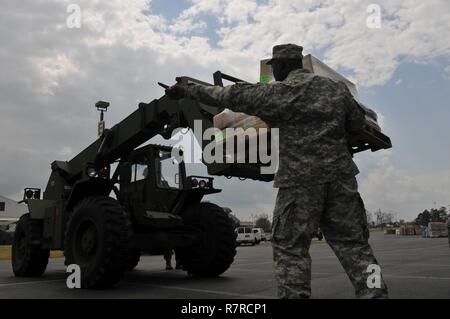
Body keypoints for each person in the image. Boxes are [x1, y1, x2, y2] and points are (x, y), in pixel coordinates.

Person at [165, 43, 388, 299]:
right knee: (356, 246)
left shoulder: (278, 94)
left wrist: (187, 89)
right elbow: (357, 123)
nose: (274, 72)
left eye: (275, 67)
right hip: (341, 180)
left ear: (281, 65)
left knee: (291, 249)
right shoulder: (335, 90)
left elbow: (226, 96)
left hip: (300, 182)